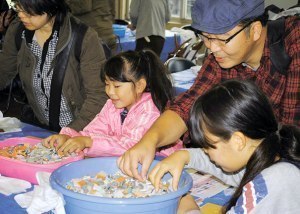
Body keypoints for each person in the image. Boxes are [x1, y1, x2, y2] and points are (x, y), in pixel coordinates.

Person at [117, 0, 300, 181]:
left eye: (221, 39)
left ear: (255, 30)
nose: (212, 49)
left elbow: (291, 133)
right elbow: (187, 106)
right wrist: (150, 141)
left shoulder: (294, 44)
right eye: (206, 37)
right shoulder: (221, 55)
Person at [149, 79, 300, 214]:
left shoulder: (273, 181)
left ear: (238, 141)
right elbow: (234, 173)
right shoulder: (270, 158)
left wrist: (187, 206)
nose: (206, 153)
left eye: (209, 146)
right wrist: (184, 155)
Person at [42, 50, 183, 157]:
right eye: (107, 84)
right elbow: (92, 132)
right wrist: (69, 137)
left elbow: (132, 147)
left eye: (116, 86)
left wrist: (89, 142)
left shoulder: (150, 110)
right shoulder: (113, 105)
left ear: (139, 86)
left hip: (159, 164)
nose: (109, 92)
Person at [0, 0, 107, 131]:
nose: (21, 15)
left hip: (80, 129)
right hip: (40, 125)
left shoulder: (84, 37)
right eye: (18, 7)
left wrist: (70, 132)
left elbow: (98, 96)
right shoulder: (18, 31)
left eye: (27, 10)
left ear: (49, 5)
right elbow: (3, 71)